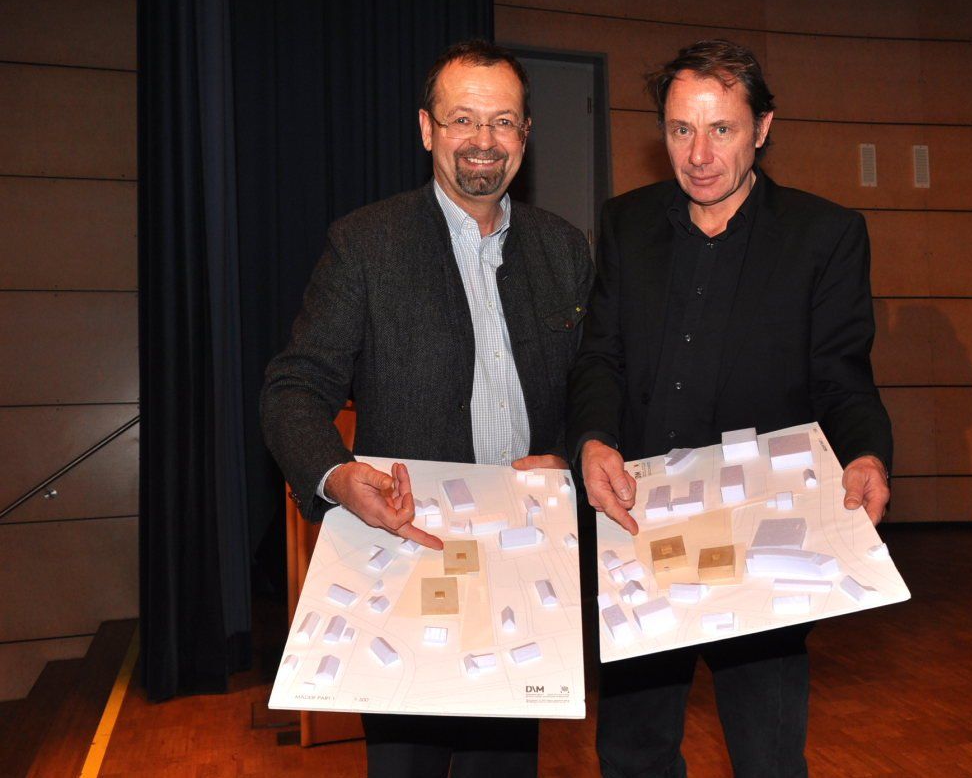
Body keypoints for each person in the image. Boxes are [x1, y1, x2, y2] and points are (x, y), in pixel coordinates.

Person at [261, 40, 593, 778]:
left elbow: (595, 385)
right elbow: (293, 387)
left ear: (526, 133)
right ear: (426, 128)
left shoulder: (564, 250)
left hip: (523, 563)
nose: (483, 140)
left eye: (502, 121)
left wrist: (572, 455)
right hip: (407, 557)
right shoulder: (365, 244)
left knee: (503, 770)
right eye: (462, 119)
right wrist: (336, 476)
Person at [568, 39, 892, 777]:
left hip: (764, 535)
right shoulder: (625, 224)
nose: (699, 154)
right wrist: (592, 438)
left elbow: (842, 377)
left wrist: (867, 453)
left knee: (767, 756)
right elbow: (600, 358)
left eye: (722, 129)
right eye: (681, 129)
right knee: (632, 753)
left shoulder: (825, 235)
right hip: (641, 529)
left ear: (763, 128)